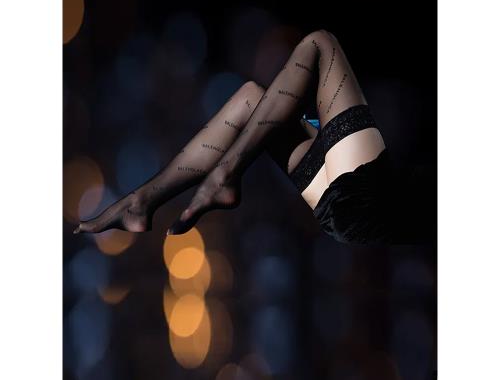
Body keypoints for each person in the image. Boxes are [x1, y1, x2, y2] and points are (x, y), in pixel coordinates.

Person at [74, 29, 412, 244]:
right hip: (348, 200)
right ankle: (142, 200)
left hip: (366, 200)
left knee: (320, 42)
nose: (283, 72)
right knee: (250, 97)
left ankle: (223, 177)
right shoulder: (324, 115)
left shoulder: (334, 106)